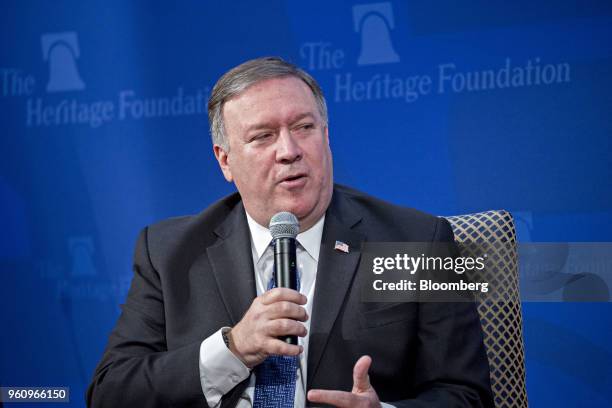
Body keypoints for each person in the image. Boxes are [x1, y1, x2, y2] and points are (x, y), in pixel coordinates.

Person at [87, 57, 493, 408]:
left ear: (326, 136)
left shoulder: (416, 243)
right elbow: (111, 392)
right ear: (225, 161)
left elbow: (467, 395)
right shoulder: (169, 253)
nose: (289, 150)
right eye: (263, 136)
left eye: (303, 127)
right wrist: (233, 350)